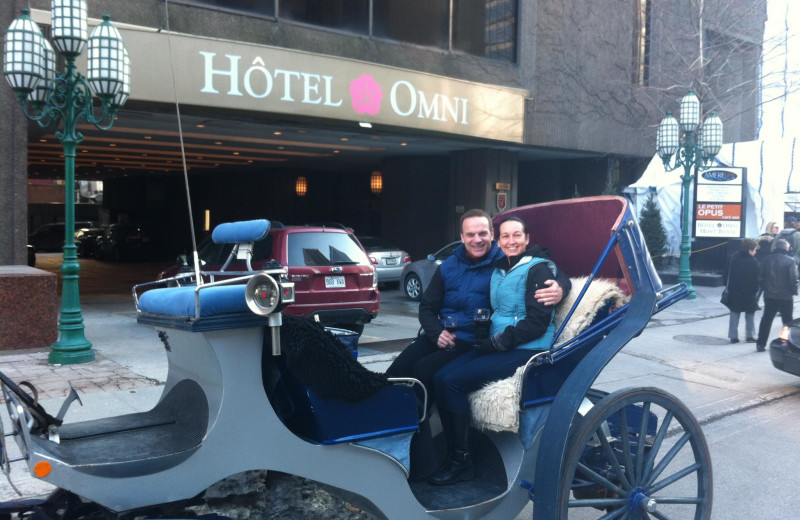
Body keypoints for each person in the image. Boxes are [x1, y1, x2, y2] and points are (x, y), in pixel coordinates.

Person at [427, 216, 564, 485]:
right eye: (505, 236)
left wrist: (499, 343)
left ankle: (461, 460)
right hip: (500, 343)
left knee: (452, 382)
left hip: (527, 349)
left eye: (517, 235)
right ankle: (458, 450)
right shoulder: (502, 269)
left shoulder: (538, 269)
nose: (511, 241)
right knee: (440, 376)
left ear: (527, 239)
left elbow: (536, 323)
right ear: (498, 241)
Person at [385, 209, 569, 403]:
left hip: (471, 340)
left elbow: (547, 269)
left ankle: (421, 429)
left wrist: (561, 287)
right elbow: (427, 307)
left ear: (492, 235)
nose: (477, 240)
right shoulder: (448, 266)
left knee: (423, 371)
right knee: (394, 373)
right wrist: (436, 332)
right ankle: (388, 422)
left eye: (483, 233)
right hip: (440, 335)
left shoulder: (504, 262)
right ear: (462, 237)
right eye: (470, 235)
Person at [756, 239, 799, 353]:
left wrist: (766, 288)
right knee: (787, 321)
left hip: (770, 295)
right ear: (786, 248)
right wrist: (793, 291)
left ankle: (761, 343)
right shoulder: (790, 260)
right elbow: (793, 279)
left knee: (766, 319)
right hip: (785, 296)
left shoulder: (766, 259)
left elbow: (760, 277)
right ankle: (788, 343)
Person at [723, 238, 759, 344]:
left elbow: (725, 273)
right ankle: (750, 335)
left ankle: (733, 336)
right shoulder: (753, 261)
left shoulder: (733, 257)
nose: (755, 252)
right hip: (749, 292)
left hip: (734, 290)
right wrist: (755, 290)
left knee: (734, 312)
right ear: (750, 250)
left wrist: (727, 285)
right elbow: (756, 278)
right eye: (755, 250)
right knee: (750, 313)